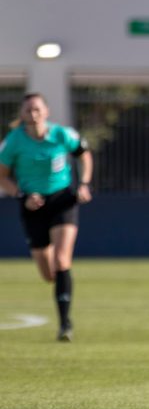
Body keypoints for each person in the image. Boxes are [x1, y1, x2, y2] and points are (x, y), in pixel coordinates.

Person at [0, 93, 93, 342]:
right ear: (22, 114)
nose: (33, 114)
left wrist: (83, 184)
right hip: (32, 205)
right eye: (28, 110)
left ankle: (65, 325)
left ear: (46, 112)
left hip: (62, 200)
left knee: (63, 261)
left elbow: (84, 155)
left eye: (37, 109)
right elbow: (2, 176)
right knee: (48, 273)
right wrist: (22, 195)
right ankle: (57, 281)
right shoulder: (14, 142)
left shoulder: (62, 134)